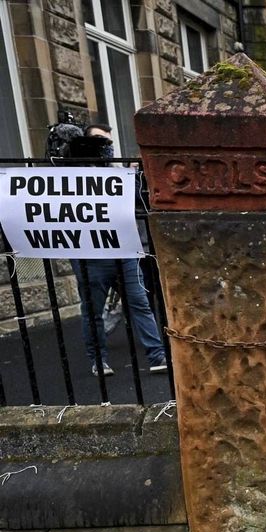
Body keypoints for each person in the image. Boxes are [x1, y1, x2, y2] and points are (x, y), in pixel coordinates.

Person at [67, 123, 168, 377]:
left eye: (108, 142)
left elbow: (141, 205)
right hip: (92, 254)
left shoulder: (119, 176)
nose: (105, 148)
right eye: (99, 141)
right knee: (93, 310)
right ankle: (99, 360)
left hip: (125, 251)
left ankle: (157, 355)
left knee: (140, 302)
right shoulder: (70, 176)